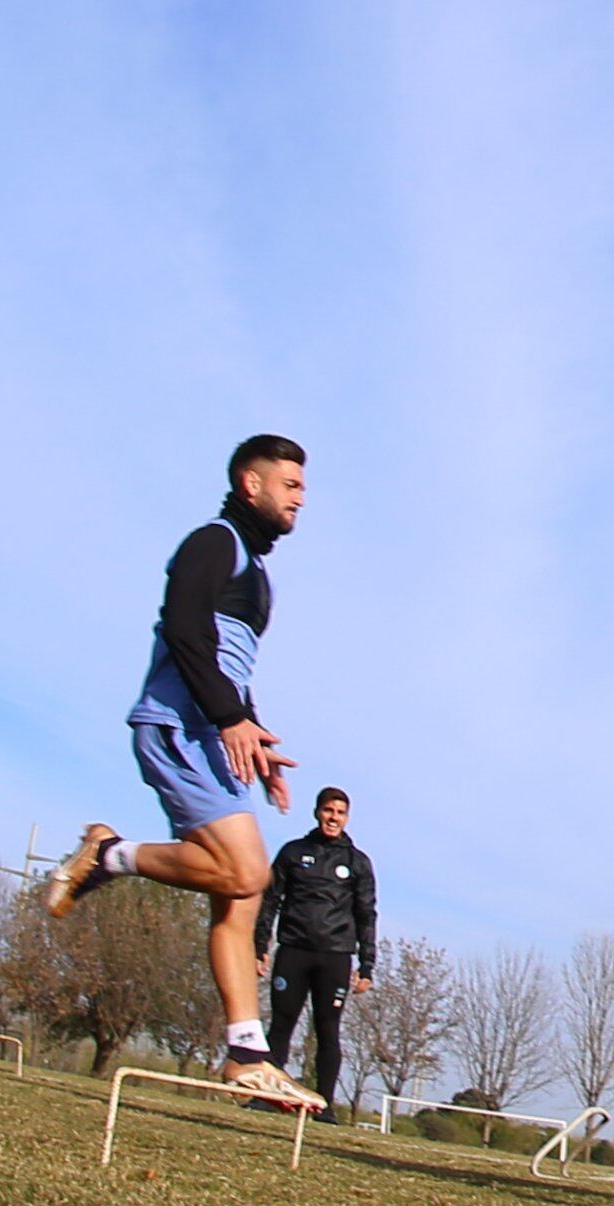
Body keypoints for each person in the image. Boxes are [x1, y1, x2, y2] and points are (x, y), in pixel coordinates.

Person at [42, 437, 325, 1111]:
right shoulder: (213, 541)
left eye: (302, 487)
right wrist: (228, 716)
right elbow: (184, 628)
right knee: (246, 871)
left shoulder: (259, 573)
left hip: (218, 732)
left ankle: (247, 1055)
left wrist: (252, 738)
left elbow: (229, 662)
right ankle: (110, 855)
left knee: (240, 896)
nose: (300, 497)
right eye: (288, 482)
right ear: (248, 482)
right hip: (177, 724)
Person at [255, 787, 379, 1110]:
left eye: (339, 812)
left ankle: (324, 1105)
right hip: (294, 950)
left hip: (335, 956)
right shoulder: (292, 853)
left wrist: (367, 965)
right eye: (328, 810)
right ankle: (267, 1095)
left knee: (328, 1030)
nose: (333, 817)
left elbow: (366, 914)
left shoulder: (358, 862)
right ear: (317, 813)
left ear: (347, 818)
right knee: (281, 1025)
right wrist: (260, 945)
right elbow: (270, 900)